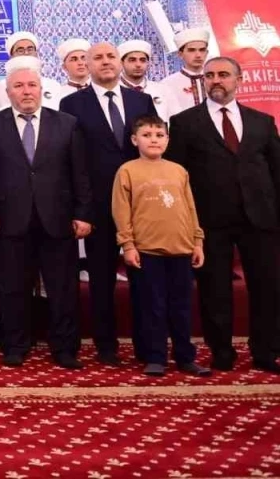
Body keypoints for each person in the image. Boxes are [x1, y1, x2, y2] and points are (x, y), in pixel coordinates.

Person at [166, 56, 280, 373]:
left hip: (260, 219)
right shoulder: (184, 122)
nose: (216, 80)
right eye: (210, 75)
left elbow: (277, 170)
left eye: (224, 74)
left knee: (267, 287)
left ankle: (266, 351)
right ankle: (222, 352)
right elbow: (177, 176)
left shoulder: (262, 121)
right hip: (209, 221)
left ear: (239, 80)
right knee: (214, 289)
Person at [0, 56, 91, 369]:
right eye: (19, 86)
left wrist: (83, 213)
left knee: (62, 287)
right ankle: (15, 345)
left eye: (32, 85)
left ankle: (65, 348)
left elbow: (80, 174)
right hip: (10, 219)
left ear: (41, 89)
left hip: (57, 219)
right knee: (12, 286)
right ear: (8, 92)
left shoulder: (67, 124)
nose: (26, 91)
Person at [59, 42, 157, 366]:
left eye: (110, 56)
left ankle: (148, 345)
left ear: (119, 62)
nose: (105, 62)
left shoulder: (141, 101)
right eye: (97, 58)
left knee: (144, 278)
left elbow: (152, 149)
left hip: (140, 205)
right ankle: (106, 345)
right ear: (87, 65)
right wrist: (81, 208)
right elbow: (72, 161)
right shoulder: (72, 104)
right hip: (98, 207)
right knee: (101, 280)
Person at [114, 115, 210, 377]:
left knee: (181, 306)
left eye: (159, 135)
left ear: (167, 140)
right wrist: (128, 245)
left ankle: (185, 357)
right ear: (134, 140)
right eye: (147, 135)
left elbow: (190, 208)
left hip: (181, 249)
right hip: (147, 251)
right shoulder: (127, 171)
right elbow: (121, 211)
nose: (154, 140)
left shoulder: (178, 171)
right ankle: (155, 356)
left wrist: (197, 241)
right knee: (152, 306)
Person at [0, 32, 65, 111]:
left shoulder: (53, 85)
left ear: (36, 53)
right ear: (11, 56)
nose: (26, 53)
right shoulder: (1, 86)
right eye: (20, 50)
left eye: (30, 49)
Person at [117, 39, 175, 120]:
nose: (138, 65)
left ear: (148, 63)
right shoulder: (115, 91)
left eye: (143, 60)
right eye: (132, 60)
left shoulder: (163, 90)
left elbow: (176, 120)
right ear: (122, 63)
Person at [159, 27, 211, 115]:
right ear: (180, 54)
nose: (198, 55)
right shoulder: (167, 84)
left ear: (207, 53)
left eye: (202, 50)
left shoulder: (216, 80)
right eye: (192, 50)